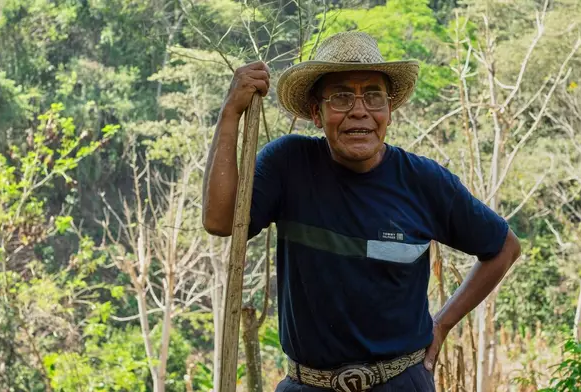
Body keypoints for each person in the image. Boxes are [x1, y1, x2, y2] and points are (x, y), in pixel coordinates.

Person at [202, 31, 521, 392]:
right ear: (316, 113)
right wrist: (231, 112)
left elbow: (504, 248)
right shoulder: (288, 165)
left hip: (400, 382)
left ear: (388, 111)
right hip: (308, 384)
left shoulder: (424, 181)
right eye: (340, 97)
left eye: (373, 96)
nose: (359, 110)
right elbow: (220, 220)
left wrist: (443, 323)